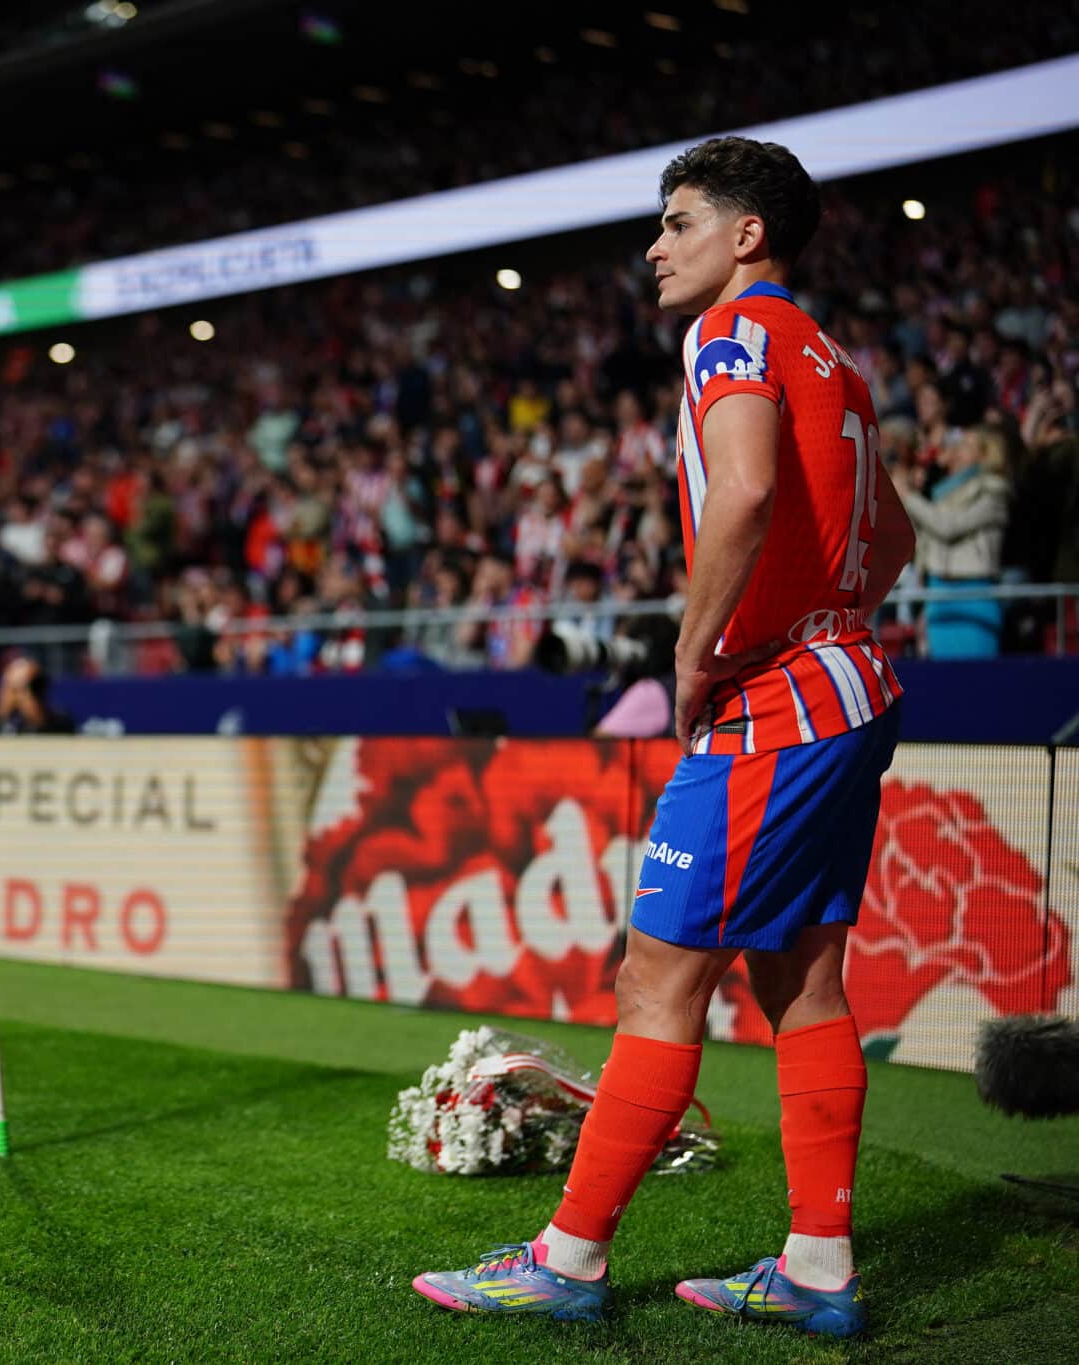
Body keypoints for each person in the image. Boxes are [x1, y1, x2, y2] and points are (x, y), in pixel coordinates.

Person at [414, 137, 916, 1339]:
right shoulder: (832, 359)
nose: (654, 247)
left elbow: (740, 491)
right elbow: (890, 540)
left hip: (775, 701)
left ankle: (566, 1260)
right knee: (800, 980)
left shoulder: (728, 333)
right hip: (850, 683)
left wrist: (696, 652)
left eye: (677, 221)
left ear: (746, 236)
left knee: (656, 981)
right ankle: (815, 1269)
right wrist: (818, 612)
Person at [898, 425, 1010, 659]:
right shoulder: (941, 493)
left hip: (973, 593)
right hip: (938, 592)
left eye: (967, 446)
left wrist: (910, 497)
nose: (957, 449)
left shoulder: (993, 493)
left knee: (978, 674)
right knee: (943, 674)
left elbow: (948, 526)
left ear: (984, 455)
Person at [0, 656, 75, 735]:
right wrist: (0, 717)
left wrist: (37, 718)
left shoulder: (61, 721)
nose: (16, 697)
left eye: (21, 689)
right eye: (8, 688)